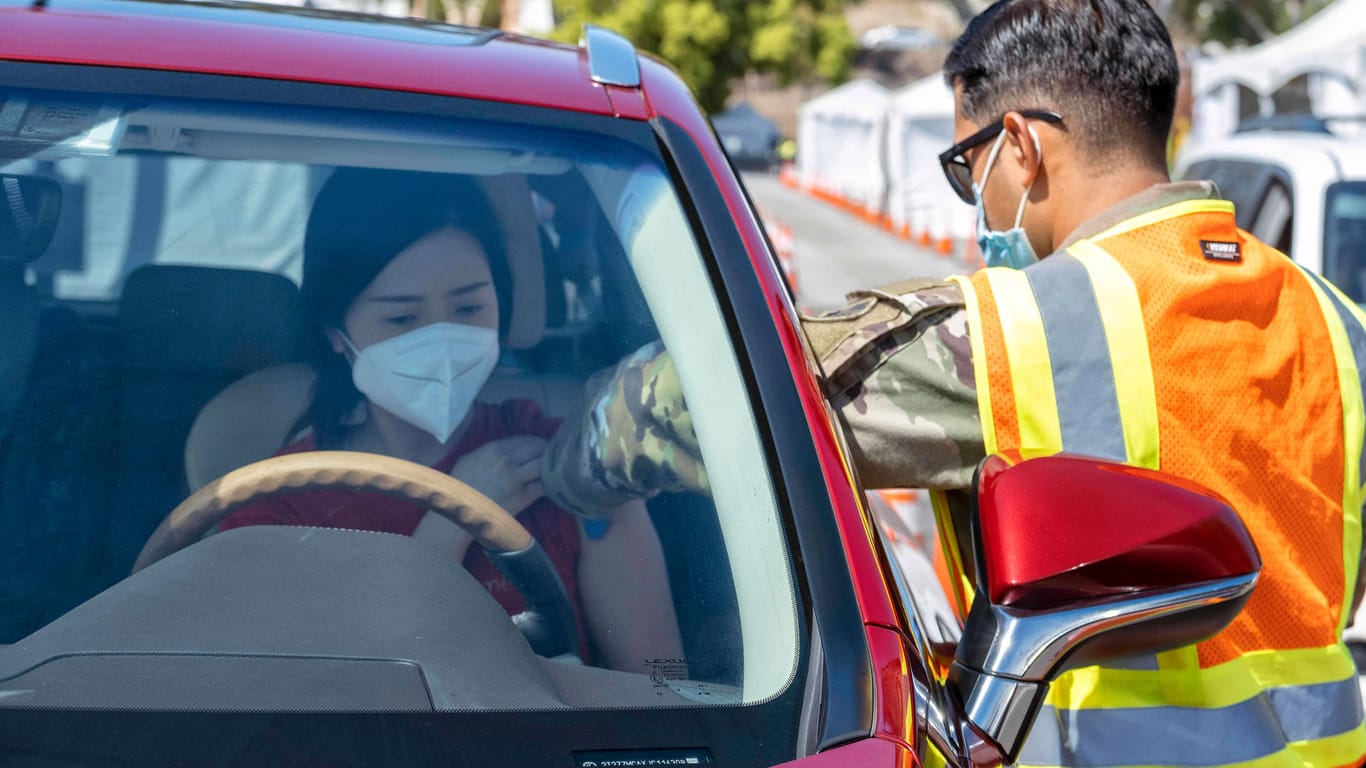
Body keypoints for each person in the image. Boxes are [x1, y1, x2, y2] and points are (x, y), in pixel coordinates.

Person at [543, 0, 1366, 762]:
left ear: (1022, 145)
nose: (972, 196)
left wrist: (551, 464)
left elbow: (700, 401)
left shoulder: (1021, 331)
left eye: (963, 164)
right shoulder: (1339, 324)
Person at [204, 168, 682, 674]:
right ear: (336, 333)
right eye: (402, 319)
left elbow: (659, 679)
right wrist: (452, 522)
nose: (443, 340)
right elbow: (293, 698)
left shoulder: (566, 463)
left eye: (470, 305)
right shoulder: (283, 500)